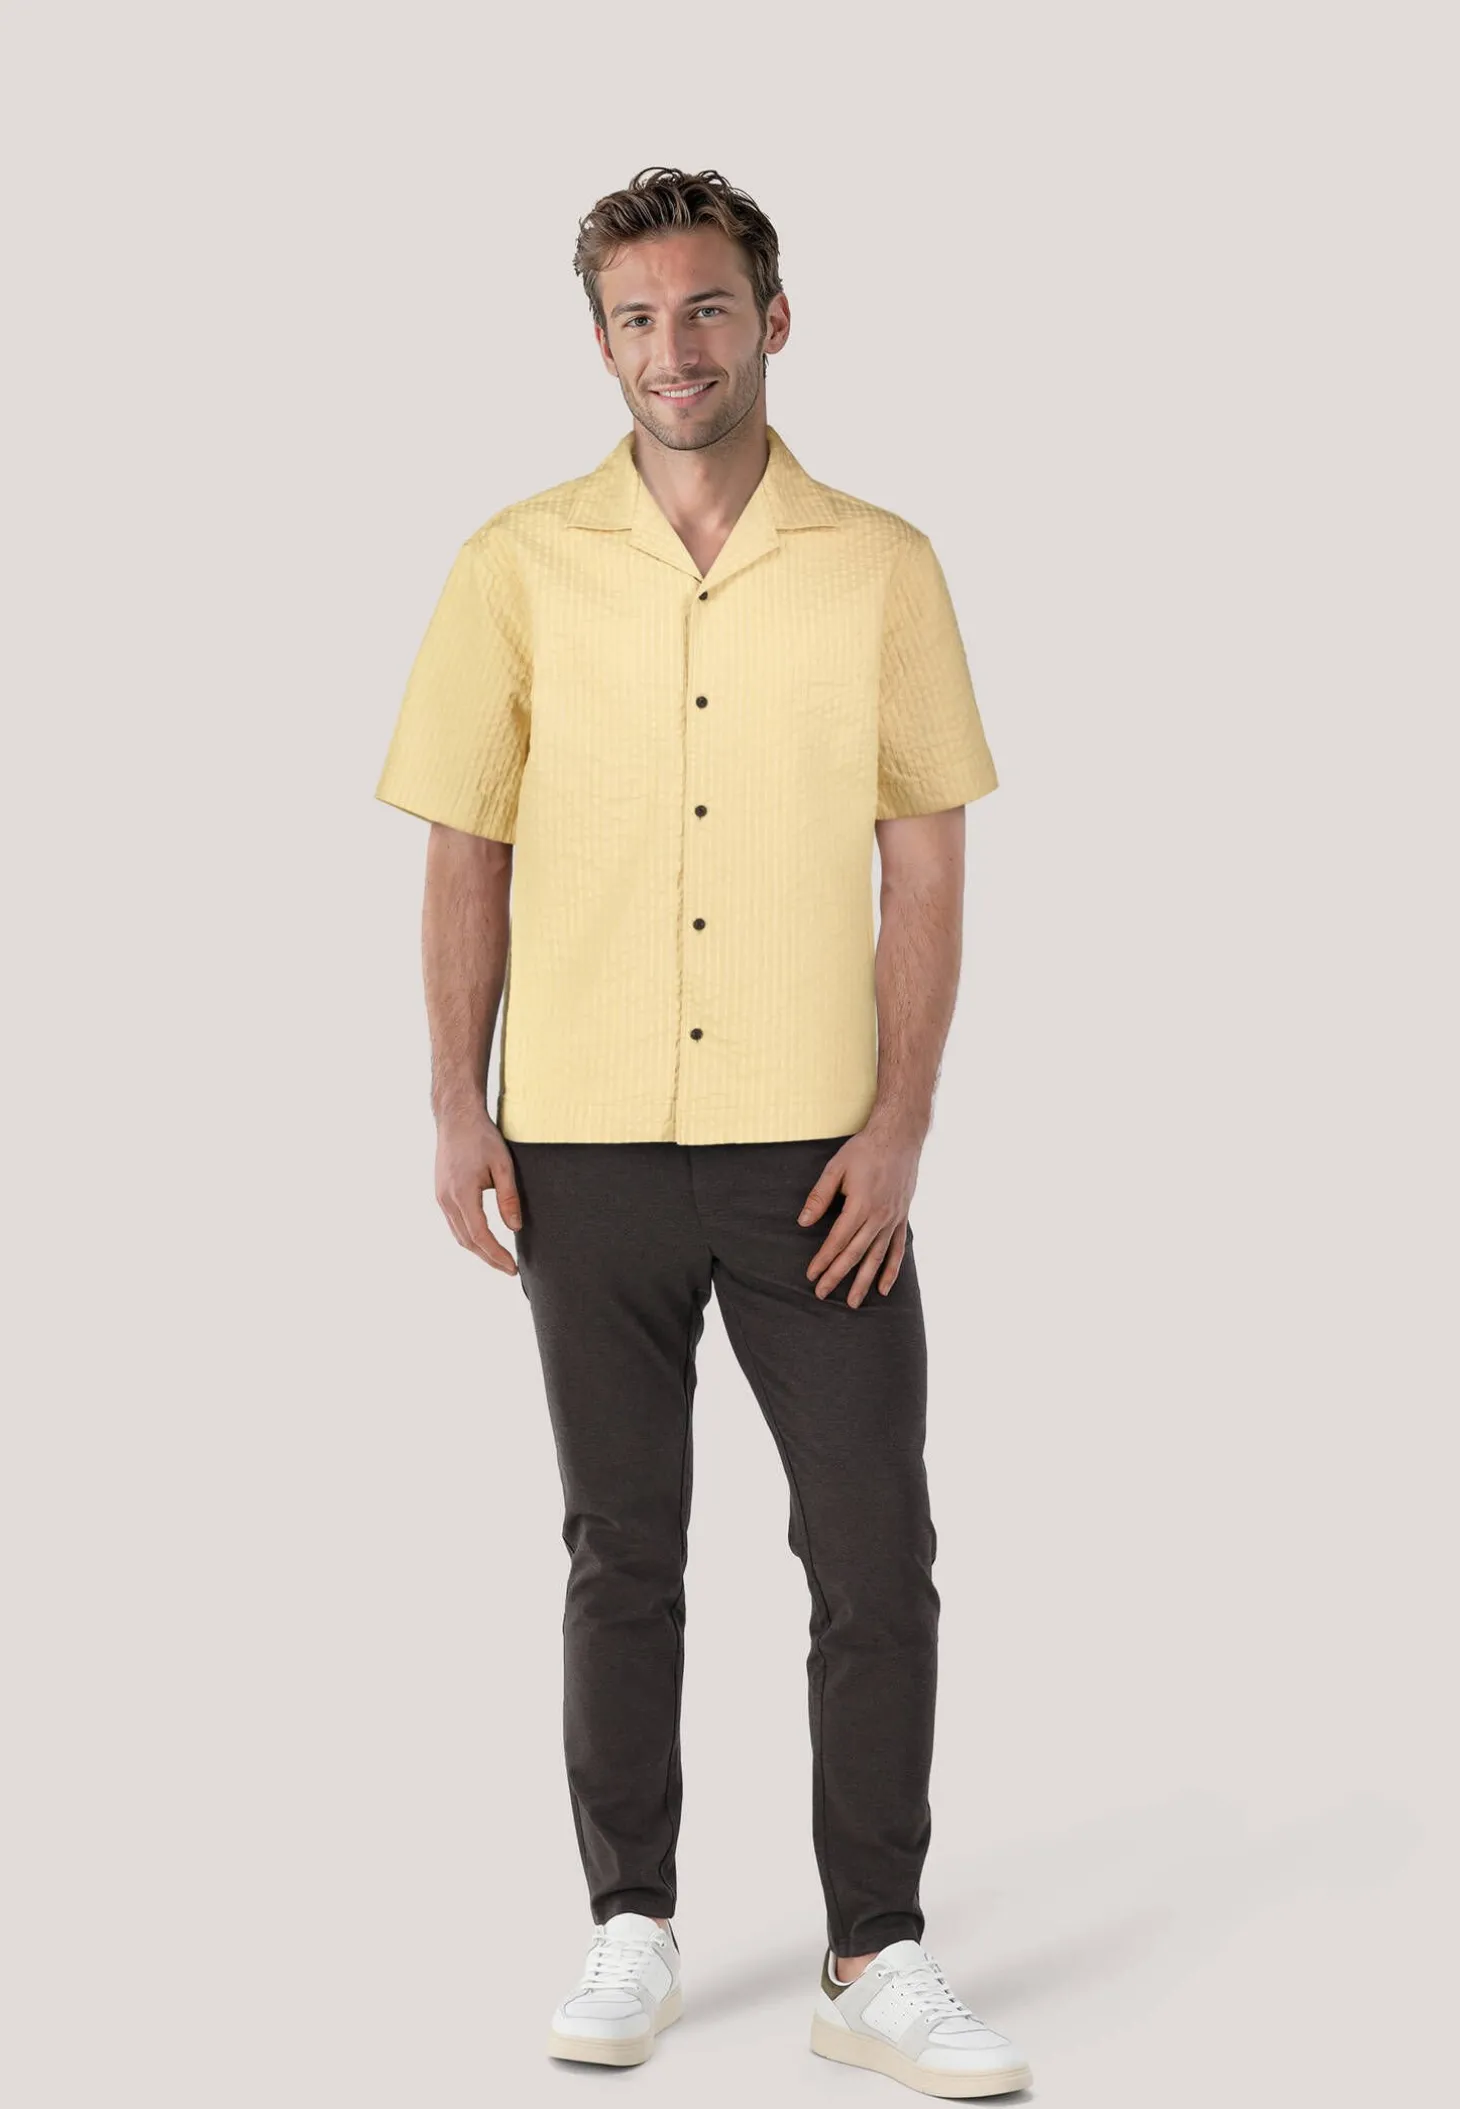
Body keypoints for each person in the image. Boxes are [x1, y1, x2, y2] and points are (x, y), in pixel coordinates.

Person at [374, 165, 1033, 2099]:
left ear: (775, 319)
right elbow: (467, 849)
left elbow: (927, 863)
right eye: (640, 319)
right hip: (578, 1142)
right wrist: (455, 1100)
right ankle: (632, 1922)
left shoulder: (883, 565)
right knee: (621, 1548)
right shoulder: (513, 562)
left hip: (814, 1155)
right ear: (601, 344)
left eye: (710, 308)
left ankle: (874, 1954)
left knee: (875, 1552)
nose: (677, 348)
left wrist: (901, 1127)